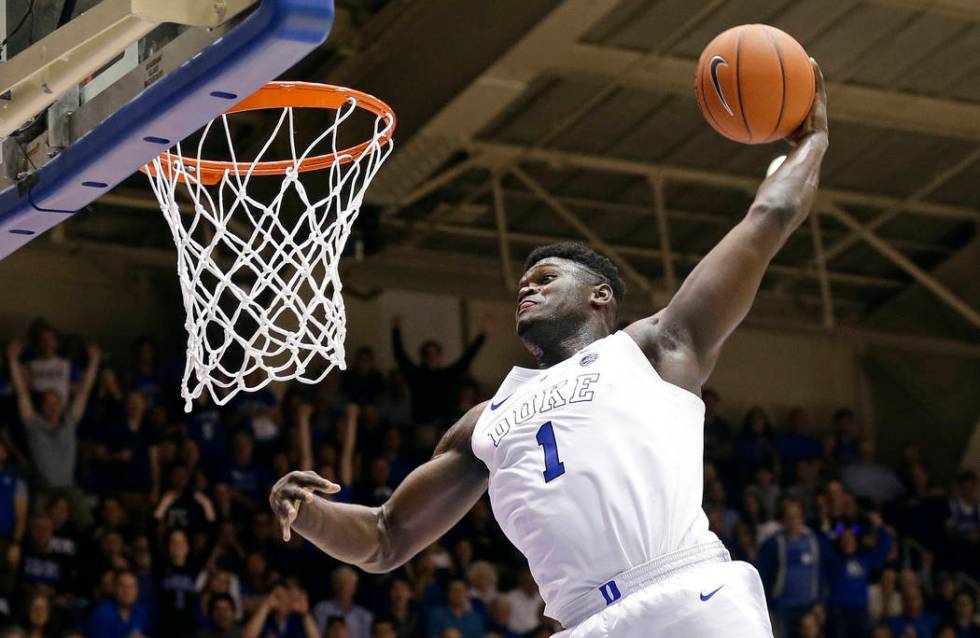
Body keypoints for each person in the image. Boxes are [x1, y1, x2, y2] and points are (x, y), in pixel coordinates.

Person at [269, 61, 830, 638]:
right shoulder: (483, 424)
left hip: (688, 597)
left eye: (545, 278)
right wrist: (308, 513)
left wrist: (812, 141)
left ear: (600, 296)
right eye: (523, 284)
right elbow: (386, 537)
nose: (527, 287)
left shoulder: (655, 348)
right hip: (584, 624)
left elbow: (770, 216)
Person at [8, 340, 100, 491]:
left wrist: (94, 361)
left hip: (69, 489)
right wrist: (12, 359)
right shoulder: (33, 423)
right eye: (48, 403)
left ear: (62, 405)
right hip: (42, 490)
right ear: (42, 407)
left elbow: (84, 392)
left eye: (56, 402)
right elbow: (21, 393)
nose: (52, 406)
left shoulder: (70, 421)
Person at [756, 499, 822, 638]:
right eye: (789, 517)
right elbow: (762, 573)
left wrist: (817, 601)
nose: (794, 521)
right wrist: (768, 602)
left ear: (802, 518)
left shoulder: (811, 541)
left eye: (797, 517)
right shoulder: (774, 543)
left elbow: (818, 572)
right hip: (782, 606)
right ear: (783, 520)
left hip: (806, 605)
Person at [85, 570, 151, 638]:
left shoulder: (141, 611)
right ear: (114, 589)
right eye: (122, 586)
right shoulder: (102, 613)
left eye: (132, 586)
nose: (127, 591)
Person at [312, 567, 373, 638]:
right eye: (340, 582)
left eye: (348, 583)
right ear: (334, 585)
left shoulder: (365, 616)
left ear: (355, 587)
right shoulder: (321, 609)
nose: (344, 587)